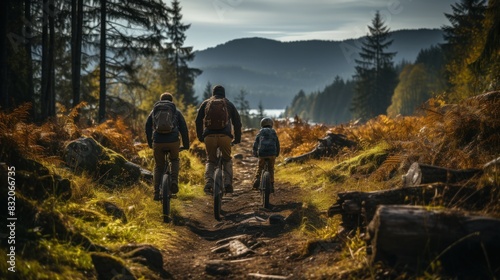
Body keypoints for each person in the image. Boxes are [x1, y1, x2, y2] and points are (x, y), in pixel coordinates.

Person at [195, 85, 242, 194]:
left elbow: (198, 121)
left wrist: (201, 137)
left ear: (213, 93)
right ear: (224, 93)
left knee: (211, 160)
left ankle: (208, 183)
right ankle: (228, 183)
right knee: (227, 159)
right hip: (225, 137)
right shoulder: (228, 104)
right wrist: (237, 139)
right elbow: (237, 123)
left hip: (209, 137)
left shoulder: (206, 103)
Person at [145, 92, 189, 201]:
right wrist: (186, 145)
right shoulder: (176, 111)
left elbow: (147, 126)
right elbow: (184, 129)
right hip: (173, 141)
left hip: (158, 141)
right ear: (171, 101)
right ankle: (174, 181)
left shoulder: (154, 111)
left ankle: (156, 192)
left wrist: (151, 143)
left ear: (160, 100)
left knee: (159, 166)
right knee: (174, 160)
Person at [251, 117, 280, 192]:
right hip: (272, 153)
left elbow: (256, 143)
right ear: (271, 124)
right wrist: (277, 153)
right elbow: (277, 143)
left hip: (262, 153)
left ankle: (257, 179)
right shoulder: (273, 132)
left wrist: (255, 152)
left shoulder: (260, 132)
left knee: (260, 167)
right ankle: (272, 185)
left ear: (262, 124)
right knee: (271, 169)